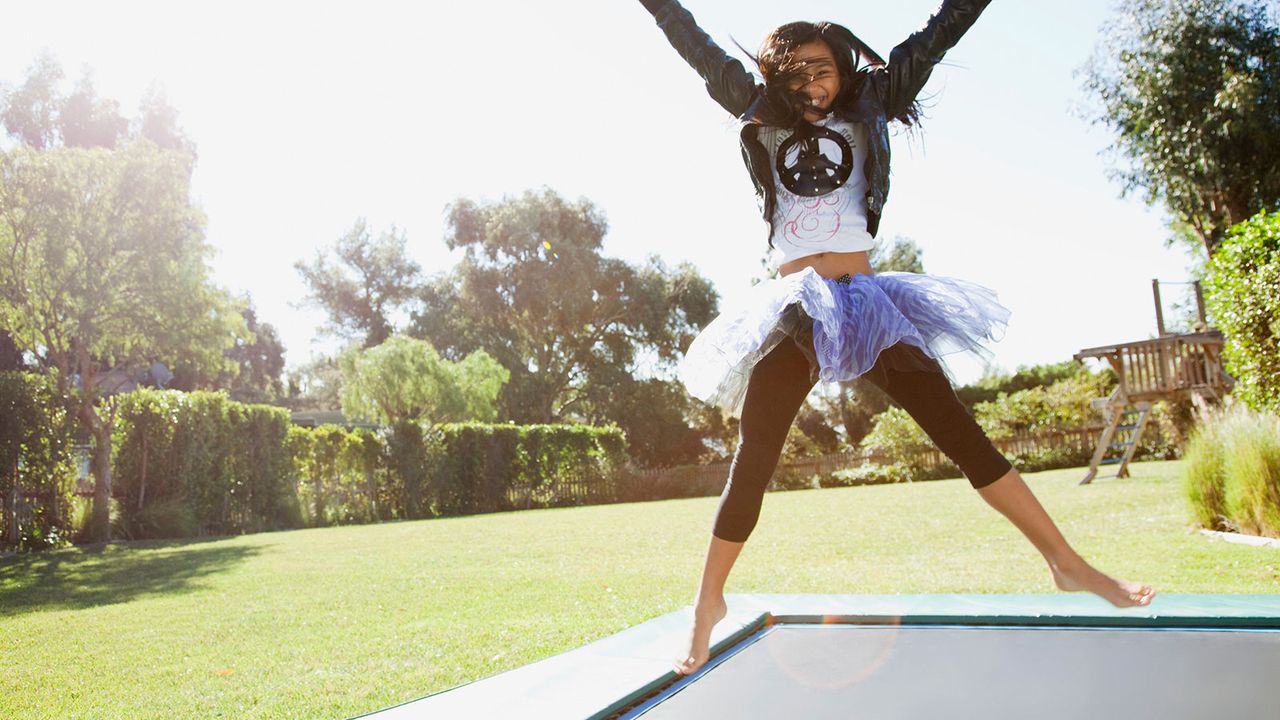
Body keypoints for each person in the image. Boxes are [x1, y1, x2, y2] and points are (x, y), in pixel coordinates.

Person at [635, 0, 1157, 676]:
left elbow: (941, 32)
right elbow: (694, 44)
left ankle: (1066, 562)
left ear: (843, 70)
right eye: (794, 76)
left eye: (821, 72)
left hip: (867, 302)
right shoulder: (757, 111)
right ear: (775, 79)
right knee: (755, 452)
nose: (810, 86)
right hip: (799, 305)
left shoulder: (872, 101)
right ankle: (708, 602)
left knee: (960, 432)